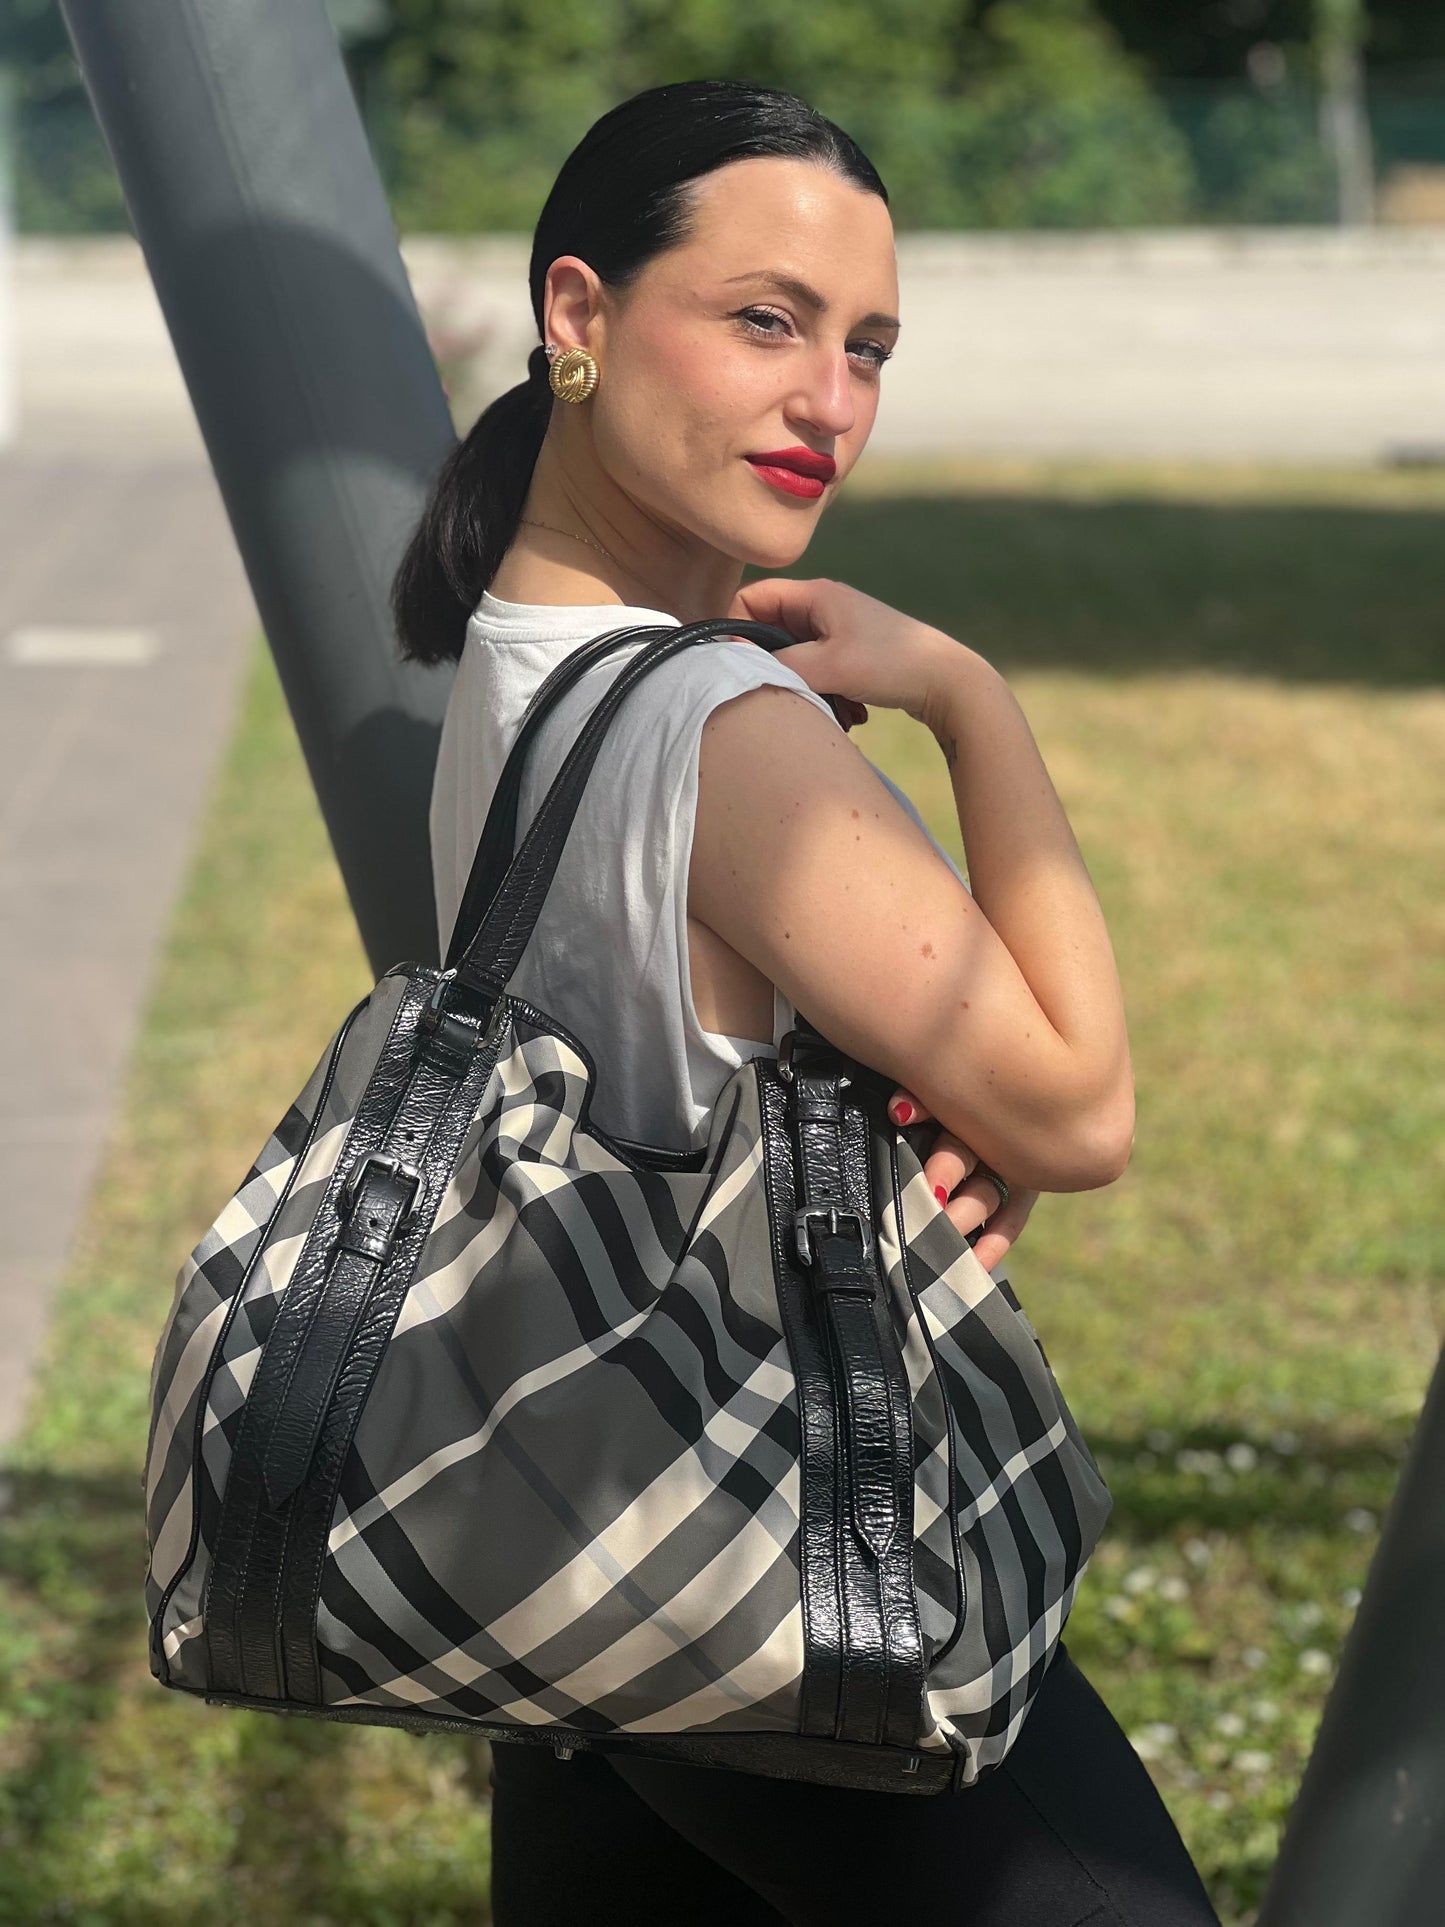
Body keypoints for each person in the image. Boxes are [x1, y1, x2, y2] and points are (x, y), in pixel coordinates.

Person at [392, 75, 1221, 1927]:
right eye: (765, 321)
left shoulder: (515, 656)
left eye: (868, 348)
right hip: (774, 1561)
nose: (829, 401)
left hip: (575, 1542)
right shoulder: (722, 723)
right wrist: (967, 696)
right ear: (579, 312)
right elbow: (1078, 1108)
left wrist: (900, 1132)